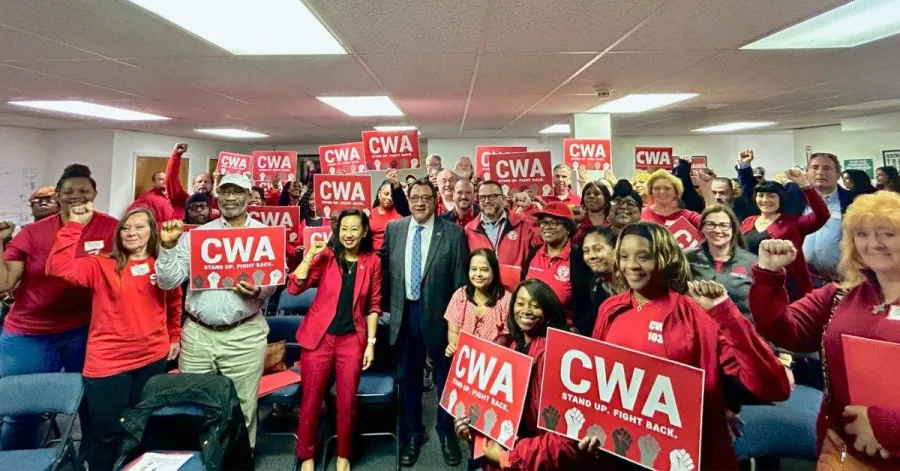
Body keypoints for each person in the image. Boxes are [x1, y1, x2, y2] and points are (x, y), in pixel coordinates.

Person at [587, 222, 790, 470]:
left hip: (686, 455)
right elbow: (598, 383)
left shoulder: (694, 312)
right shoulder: (611, 309)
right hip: (625, 452)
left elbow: (772, 386)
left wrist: (725, 313)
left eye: (644, 256)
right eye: (624, 256)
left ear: (664, 257)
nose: (632, 266)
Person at [749, 191, 900, 467]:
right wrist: (769, 276)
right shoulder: (839, 295)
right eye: (862, 234)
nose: (873, 244)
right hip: (843, 450)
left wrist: (887, 427)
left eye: (886, 234)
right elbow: (783, 329)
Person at [47, 205, 181, 470]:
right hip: (109, 363)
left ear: (152, 231)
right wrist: (74, 225)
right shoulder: (101, 264)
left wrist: (174, 334)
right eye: (126, 229)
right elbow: (57, 269)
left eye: (140, 227)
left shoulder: (162, 264)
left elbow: (175, 302)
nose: (131, 233)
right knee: (106, 432)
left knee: (142, 426)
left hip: (152, 357)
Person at [0, 164, 118, 450]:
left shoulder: (110, 227)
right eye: (68, 191)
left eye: (83, 191)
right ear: (58, 195)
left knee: (91, 406)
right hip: (31, 332)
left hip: (84, 329)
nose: (76, 196)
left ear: (94, 194)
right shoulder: (34, 233)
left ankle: (90, 462)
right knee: (22, 412)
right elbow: (4, 282)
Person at [155, 173, 276, 449]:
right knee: (194, 401)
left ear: (248, 197)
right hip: (198, 335)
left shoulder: (263, 235)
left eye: (237, 192)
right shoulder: (198, 236)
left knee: (243, 405)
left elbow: (274, 280)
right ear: (217, 196)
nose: (230, 198)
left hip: (244, 334)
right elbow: (167, 281)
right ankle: (200, 458)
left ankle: (238, 461)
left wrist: (259, 290)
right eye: (225, 192)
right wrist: (168, 248)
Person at [379, 177, 469, 466]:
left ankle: (446, 431)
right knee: (409, 380)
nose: (419, 202)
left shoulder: (454, 234)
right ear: (409, 198)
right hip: (404, 316)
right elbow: (383, 271)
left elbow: (460, 283)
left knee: (445, 381)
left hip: (442, 319)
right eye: (414, 197)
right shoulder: (394, 229)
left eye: (426, 198)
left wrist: (457, 325)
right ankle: (414, 433)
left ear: (435, 201)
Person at [454, 279, 587, 471]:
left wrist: (509, 457)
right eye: (520, 303)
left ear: (548, 311)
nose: (526, 310)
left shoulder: (558, 360)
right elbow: (490, 411)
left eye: (535, 305)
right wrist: (470, 428)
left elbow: (565, 442)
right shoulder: (505, 345)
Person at [287, 209, 382, 471]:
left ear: (363, 232)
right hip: (319, 338)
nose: (348, 234)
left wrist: (371, 343)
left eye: (354, 229)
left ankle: (343, 454)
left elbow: (373, 305)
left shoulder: (371, 262)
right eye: (344, 229)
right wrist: (309, 255)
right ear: (337, 231)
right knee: (311, 399)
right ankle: (306, 455)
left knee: (347, 401)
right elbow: (294, 288)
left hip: (352, 339)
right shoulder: (327, 256)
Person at [742, 172, 829, 299]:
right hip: (753, 285)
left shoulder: (793, 223)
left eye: (771, 196)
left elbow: (822, 214)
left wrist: (805, 186)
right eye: (760, 195)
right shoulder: (748, 221)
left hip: (789, 288)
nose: (765, 200)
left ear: (780, 198)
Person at [522, 201, 588, 327]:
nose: (546, 227)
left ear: (568, 228)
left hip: (562, 330)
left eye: (553, 223)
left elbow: (586, 302)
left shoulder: (578, 257)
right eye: (543, 222)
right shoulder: (534, 253)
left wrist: (577, 329)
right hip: (530, 325)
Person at [685, 205, 757, 320]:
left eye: (723, 225)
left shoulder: (752, 262)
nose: (717, 230)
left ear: (733, 229)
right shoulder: (686, 258)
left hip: (738, 332)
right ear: (702, 228)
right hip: (699, 330)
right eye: (710, 224)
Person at [465, 181, 541, 287]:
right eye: (482, 197)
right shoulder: (469, 230)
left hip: (516, 294)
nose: (486, 201)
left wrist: (529, 209)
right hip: (484, 293)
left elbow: (542, 242)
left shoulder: (522, 223)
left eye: (492, 196)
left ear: (503, 198)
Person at [801, 153, 858, 285]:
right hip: (804, 281)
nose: (820, 172)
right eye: (815, 167)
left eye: (827, 168)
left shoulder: (852, 201)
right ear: (807, 173)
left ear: (838, 174)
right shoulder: (796, 199)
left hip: (842, 281)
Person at [444, 249, 511, 357]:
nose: (478, 274)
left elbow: (510, 338)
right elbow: (453, 331)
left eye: (484, 270)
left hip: (495, 360)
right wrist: (453, 346)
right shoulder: (460, 295)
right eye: (473, 269)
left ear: (494, 272)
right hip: (464, 360)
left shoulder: (506, 299)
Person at [577, 226, 617, 335]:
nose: (591, 256)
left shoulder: (634, 282)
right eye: (586, 251)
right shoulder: (596, 283)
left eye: (597, 249)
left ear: (615, 248)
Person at [164, 143, 215, 220]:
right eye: (199, 181)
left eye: (206, 182)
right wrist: (176, 155)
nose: (203, 183)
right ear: (193, 186)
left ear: (212, 185)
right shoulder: (182, 200)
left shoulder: (218, 204)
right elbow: (171, 178)